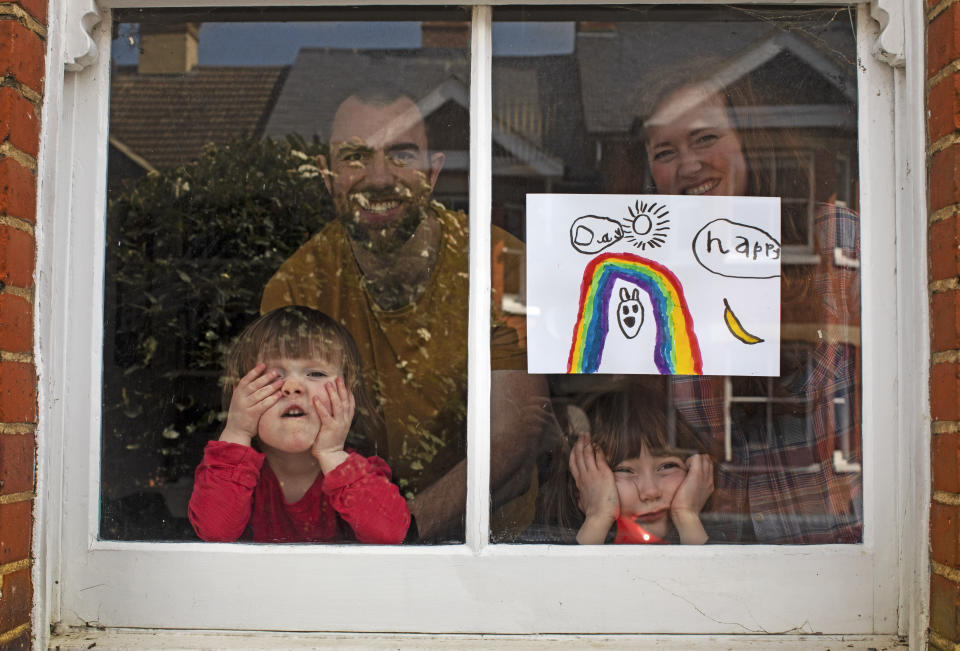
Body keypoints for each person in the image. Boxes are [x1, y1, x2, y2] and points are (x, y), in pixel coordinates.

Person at [261, 86, 549, 542]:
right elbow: (290, 445)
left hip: (493, 545)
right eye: (356, 156)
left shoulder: (505, 261)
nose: (379, 178)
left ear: (432, 173)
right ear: (326, 174)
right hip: (350, 539)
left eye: (401, 155)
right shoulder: (295, 286)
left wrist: (407, 528)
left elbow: (514, 431)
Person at [632, 61, 862, 543]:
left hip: (848, 556)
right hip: (725, 560)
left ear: (748, 140)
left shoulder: (834, 241)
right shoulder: (650, 282)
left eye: (704, 139)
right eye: (665, 151)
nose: (689, 165)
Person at [188, 306, 410, 544]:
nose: (292, 386)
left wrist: (331, 453)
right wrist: (237, 431)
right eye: (273, 375)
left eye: (315, 373)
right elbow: (215, 531)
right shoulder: (234, 473)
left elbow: (389, 533)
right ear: (240, 397)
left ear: (349, 397)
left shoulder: (358, 473)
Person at [535, 389, 714, 545]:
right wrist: (598, 518)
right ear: (581, 482)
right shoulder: (546, 547)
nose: (650, 492)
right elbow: (573, 583)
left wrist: (687, 517)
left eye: (667, 466)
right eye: (624, 470)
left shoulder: (729, 542)